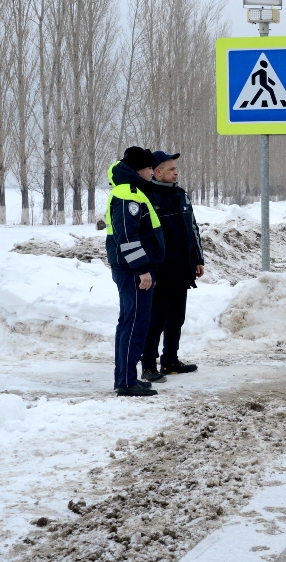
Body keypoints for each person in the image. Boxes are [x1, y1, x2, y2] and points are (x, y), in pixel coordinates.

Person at [105, 147, 165, 397]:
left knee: (130, 322)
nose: (153, 172)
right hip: (133, 269)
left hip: (132, 267)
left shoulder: (132, 192)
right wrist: (142, 269)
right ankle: (128, 382)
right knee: (135, 324)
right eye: (150, 168)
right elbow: (128, 237)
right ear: (138, 169)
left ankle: (125, 378)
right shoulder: (127, 194)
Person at [140, 151, 203, 382]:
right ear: (157, 172)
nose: (176, 172)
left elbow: (193, 229)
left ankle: (170, 361)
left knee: (176, 318)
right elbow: (145, 236)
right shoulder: (149, 197)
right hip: (161, 270)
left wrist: (198, 258)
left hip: (181, 268)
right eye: (171, 169)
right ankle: (148, 366)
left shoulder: (180, 195)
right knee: (155, 320)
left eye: (176, 168)